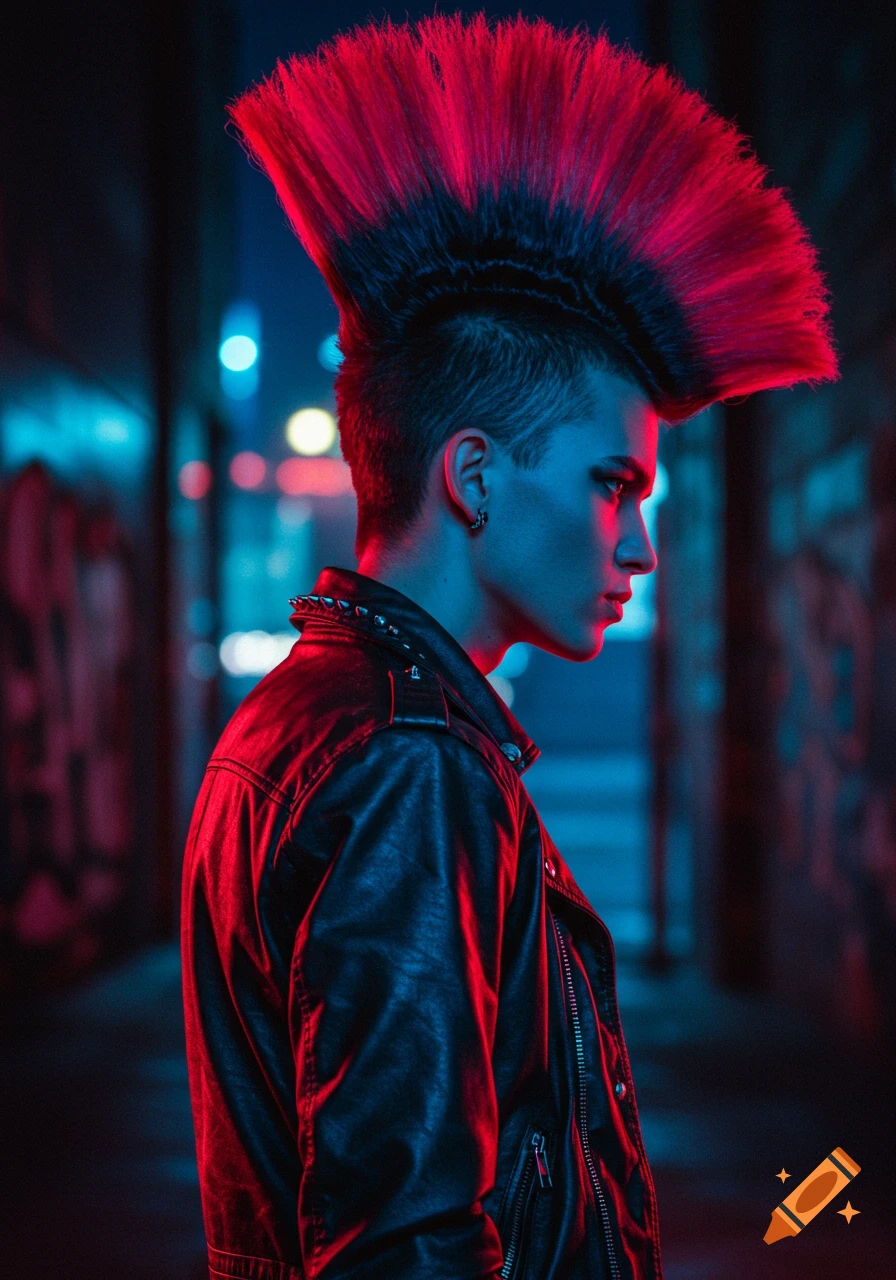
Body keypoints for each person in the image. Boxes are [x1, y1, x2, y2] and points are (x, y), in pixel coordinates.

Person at [180, 12, 838, 1280]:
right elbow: (405, 1243)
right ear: (473, 475)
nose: (638, 546)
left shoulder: (304, 716)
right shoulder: (406, 761)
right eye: (611, 485)